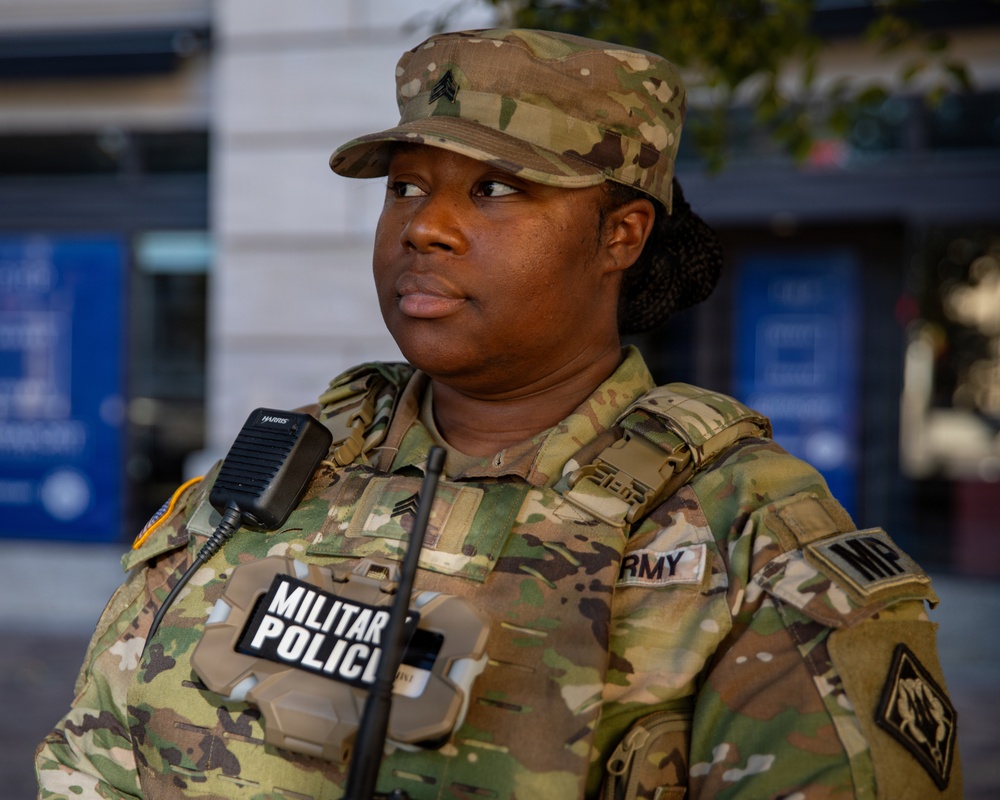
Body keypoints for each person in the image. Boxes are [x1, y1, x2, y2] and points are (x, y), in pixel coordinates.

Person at [36, 28, 960, 800]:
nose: (423, 228)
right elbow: (94, 751)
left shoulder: (750, 540)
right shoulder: (294, 463)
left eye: (494, 190)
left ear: (622, 234)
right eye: (405, 187)